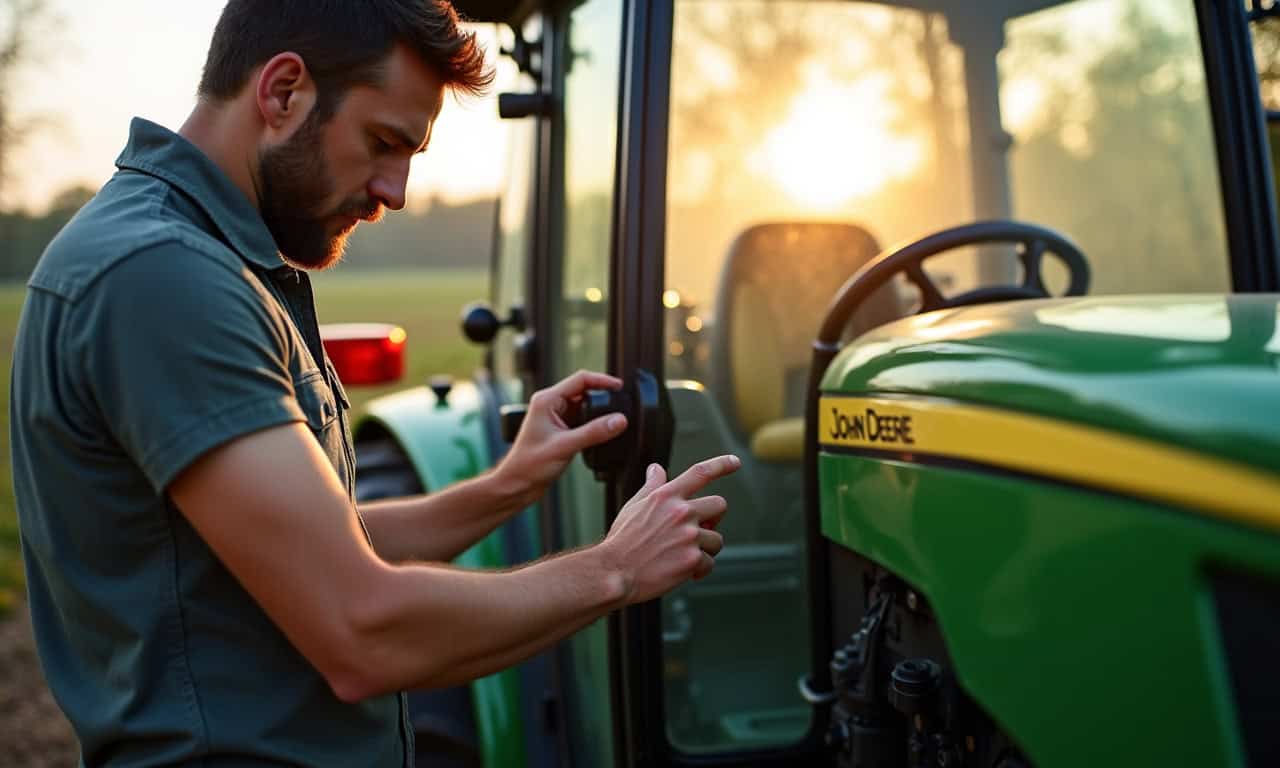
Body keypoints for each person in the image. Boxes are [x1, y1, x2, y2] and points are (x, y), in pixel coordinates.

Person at [8, 1, 738, 765]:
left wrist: (510, 486)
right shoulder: (162, 276)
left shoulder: (214, 262)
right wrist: (614, 568)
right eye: (385, 143)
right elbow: (361, 629)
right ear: (283, 92)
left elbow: (323, 544)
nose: (395, 192)